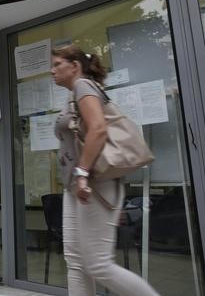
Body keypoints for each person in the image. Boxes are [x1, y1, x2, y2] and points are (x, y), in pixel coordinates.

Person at [51, 45, 159, 296]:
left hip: (94, 183)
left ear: (75, 66)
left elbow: (98, 129)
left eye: (57, 64)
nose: (51, 69)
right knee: (76, 262)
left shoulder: (83, 86)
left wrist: (81, 173)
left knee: (98, 264)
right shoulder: (73, 94)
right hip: (76, 186)